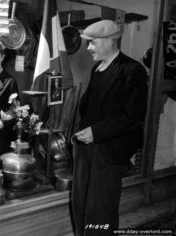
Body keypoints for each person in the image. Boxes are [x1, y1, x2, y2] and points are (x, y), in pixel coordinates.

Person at [71, 20, 148, 236]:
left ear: (109, 41)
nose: (88, 48)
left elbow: (131, 116)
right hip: (87, 147)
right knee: (81, 201)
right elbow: (90, 107)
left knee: (100, 207)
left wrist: (95, 132)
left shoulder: (133, 70)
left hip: (109, 151)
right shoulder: (98, 68)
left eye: (92, 43)